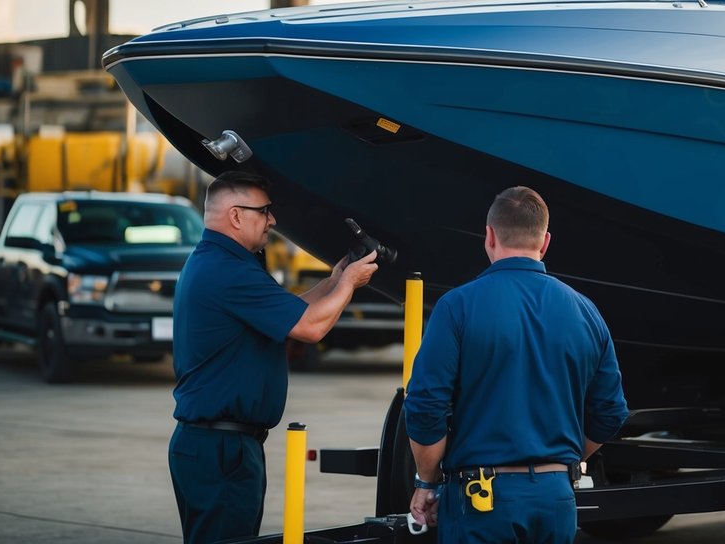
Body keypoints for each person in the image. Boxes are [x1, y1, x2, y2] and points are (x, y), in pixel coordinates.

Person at [406, 186, 628, 543]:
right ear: (545, 242)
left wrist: (426, 482)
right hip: (556, 498)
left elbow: (424, 404)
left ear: (489, 236)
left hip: (482, 499)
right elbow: (611, 412)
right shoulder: (586, 311)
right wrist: (557, 463)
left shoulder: (457, 307)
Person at [167, 171, 379, 544]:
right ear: (235, 216)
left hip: (218, 445)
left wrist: (335, 279)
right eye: (264, 211)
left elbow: (289, 312)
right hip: (221, 449)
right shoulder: (229, 272)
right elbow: (311, 329)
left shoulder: (220, 263)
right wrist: (349, 285)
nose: (273, 220)